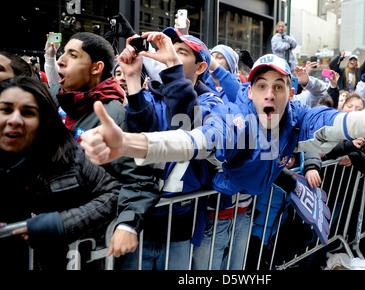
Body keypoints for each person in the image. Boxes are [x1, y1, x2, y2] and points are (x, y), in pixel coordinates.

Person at [80, 54, 365, 250]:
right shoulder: (236, 122)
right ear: (251, 92)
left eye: (279, 85)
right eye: (260, 86)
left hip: (251, 207)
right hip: (216, 215)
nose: (270, 94)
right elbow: (193, 142)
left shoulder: (300, 115)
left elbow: (346, 123)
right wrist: (128, 143)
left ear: (290, 92)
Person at [111, 28, 221, 270]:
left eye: (180, 52)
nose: (168, 54)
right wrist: (132, 78)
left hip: (180, 224)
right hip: (142, 220)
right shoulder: (149, 96)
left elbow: (184, 126)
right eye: (167, 49)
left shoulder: (211, 102)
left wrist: (173, 69)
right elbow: (142, 136)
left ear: (201, 67)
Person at [52, 32, 162, 267]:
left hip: (86, 246)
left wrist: (127, 224)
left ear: (96, 67)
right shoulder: (52, 102)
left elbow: (139, 180)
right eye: (62, 54)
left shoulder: (114, 116)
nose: (61, 60)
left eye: (72, 55)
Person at [0, 76, 120, 270]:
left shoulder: (69, 156)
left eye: (28, 112)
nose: (15, 120)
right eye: (5, 110)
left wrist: (61, 223)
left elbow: (114, 193)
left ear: (43, 119)